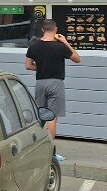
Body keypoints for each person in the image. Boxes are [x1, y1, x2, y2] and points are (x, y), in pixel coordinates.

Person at [25, 18, 80, 146]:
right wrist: (65, 42)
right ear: (55, 29)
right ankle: (50, 150)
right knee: (52, 117)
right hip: (56, 84)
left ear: (42, 30)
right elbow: (77, 59)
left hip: (40, 83)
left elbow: (28, 65)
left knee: (41, 116)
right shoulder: (60, 46)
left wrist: (42, 66)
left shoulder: (34, 45)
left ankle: (39, 147)